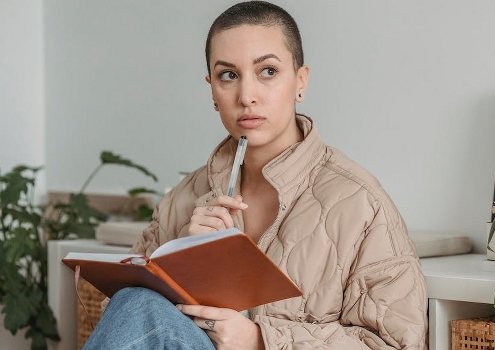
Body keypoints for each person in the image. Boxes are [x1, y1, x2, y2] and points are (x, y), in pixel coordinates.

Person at [83, 1, 428, 349]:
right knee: (137, 301)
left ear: (300, 80)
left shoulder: (361, 204)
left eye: (267, 71)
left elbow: (397, 343)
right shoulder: (183, 200)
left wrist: (260, 340)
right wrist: (182, 257)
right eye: (228, 75)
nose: (247, 96)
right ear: (212, 90)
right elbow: (125, 322)